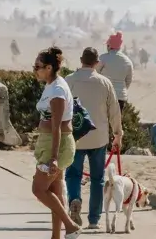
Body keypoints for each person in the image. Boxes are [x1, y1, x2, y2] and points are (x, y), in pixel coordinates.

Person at [64, 47, 123, 230]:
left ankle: (74, 199)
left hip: (75, 136)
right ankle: (94, 220)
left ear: (81, 60)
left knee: (73, 174)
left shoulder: (69, 80)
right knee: (97, 178)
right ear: (97, 63)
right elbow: (114, 111)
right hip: (99, 137)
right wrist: (118, 134)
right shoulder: (105, 83)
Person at [31, 47, 81, 239]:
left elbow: (57, 126)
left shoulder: (58, 90)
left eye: (38, 67)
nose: (35, 70)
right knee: (55, 191)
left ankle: (70, 226)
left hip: (57, 146)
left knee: (38, 189)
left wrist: (53, 158)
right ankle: (56, 236)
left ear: (49, 67)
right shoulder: (51, 86)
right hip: (50, 143)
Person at [98, 32, 134, 112]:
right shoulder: (127, 61)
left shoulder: (103, 58)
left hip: (104, 95)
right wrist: (121, 89)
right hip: (120, 97)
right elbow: (128, 80)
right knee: (116, 119)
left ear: (109, 46)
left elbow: (95, 74)